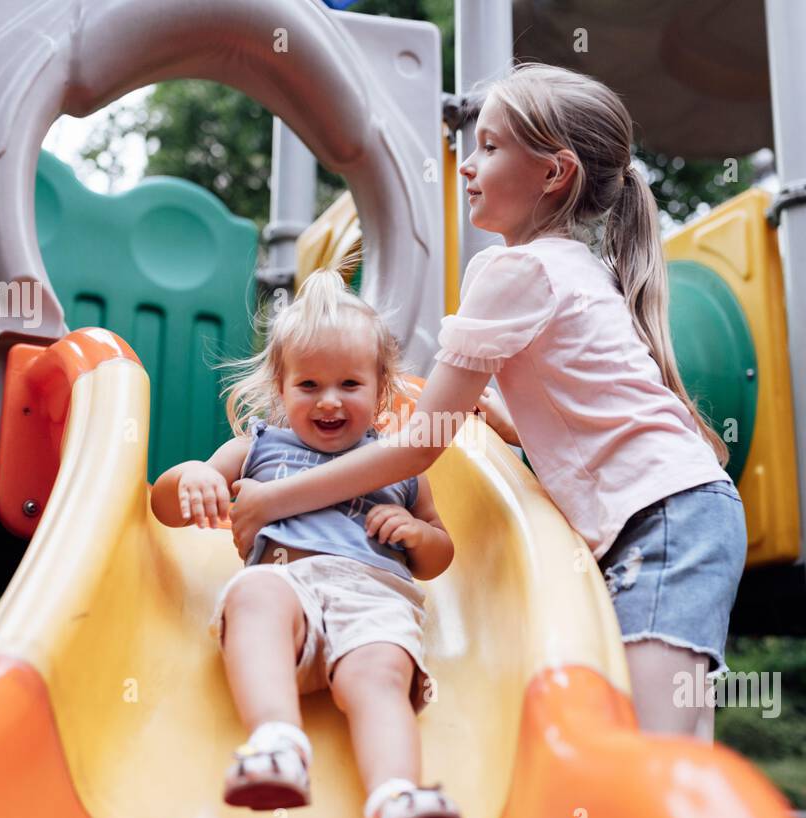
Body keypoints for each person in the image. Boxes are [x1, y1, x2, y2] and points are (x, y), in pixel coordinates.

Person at [229, 64, 748, 742]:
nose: (469, 167)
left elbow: (417, 446)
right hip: (680, 513)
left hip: (665, 519)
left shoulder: (516, 270)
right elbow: (571, 403)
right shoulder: (570, 263)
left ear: (554, 173)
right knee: (673, 740)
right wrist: (499, 417)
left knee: (646, 742)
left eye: (491, 147)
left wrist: (274, 498)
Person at [152, 269, 465, 818]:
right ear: (281, 388)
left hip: (373, 599)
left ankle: (394, 800)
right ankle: (277, 742)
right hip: (286, 582)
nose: (328, 400)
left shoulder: (398, 464)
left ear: (381, 392)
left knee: (379, 675)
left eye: (349, 383)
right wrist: (190, 475)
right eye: (309, 384)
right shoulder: (258, 447)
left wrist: (418, 534)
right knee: (254, 596)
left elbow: (438, 556)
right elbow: (165, 507)